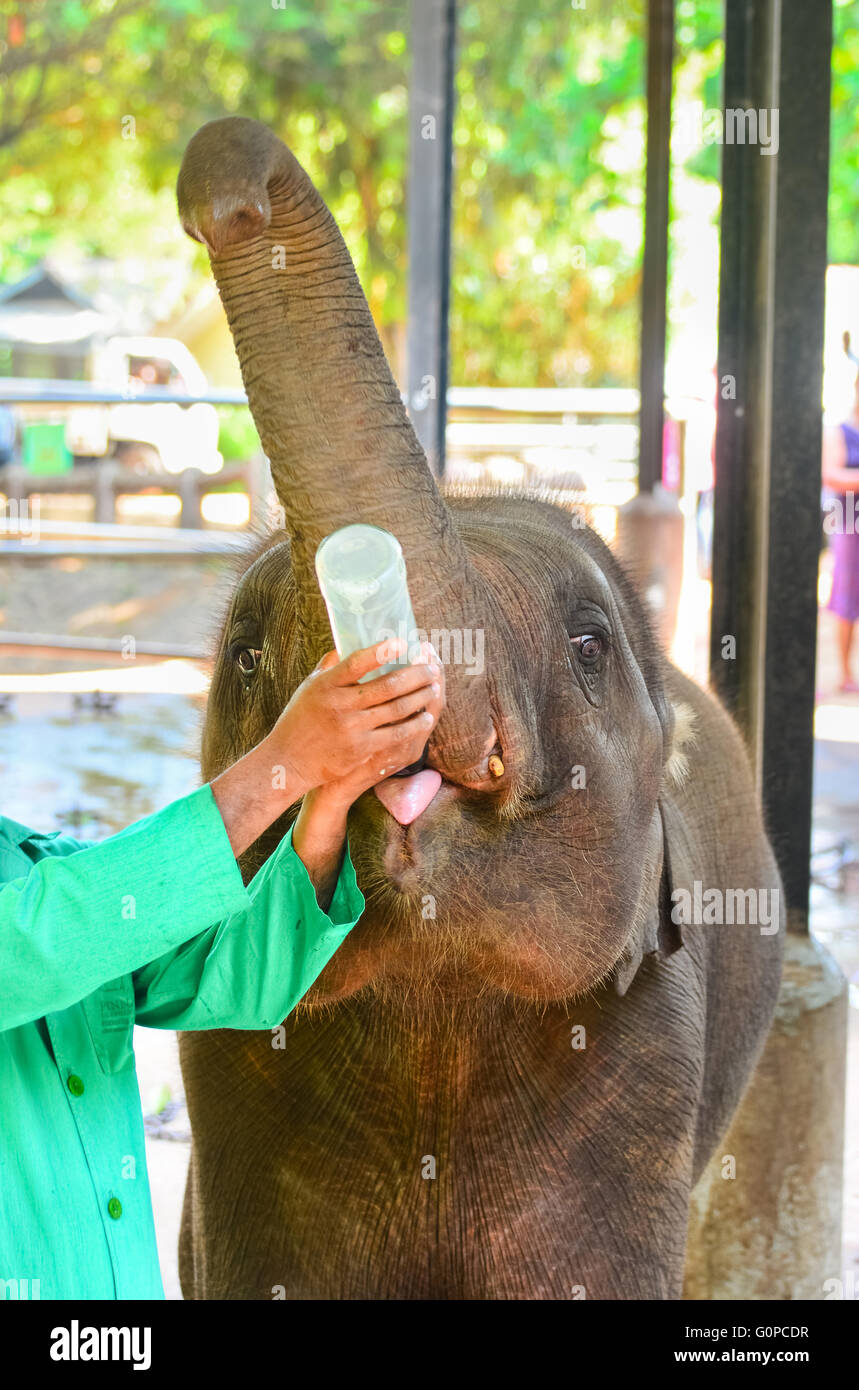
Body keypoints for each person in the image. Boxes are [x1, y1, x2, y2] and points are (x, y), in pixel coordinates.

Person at [0, 639, 443, 1300]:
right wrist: (282, 765)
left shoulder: (33, 861)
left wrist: (326, 801)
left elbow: (239, 977)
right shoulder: (57, 899)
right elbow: (45, 940)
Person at [822, 357, 859, 693]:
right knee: (847, 597)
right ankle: (845, 672)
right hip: (850, 524)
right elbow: (831, 473)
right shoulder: (839, 432)